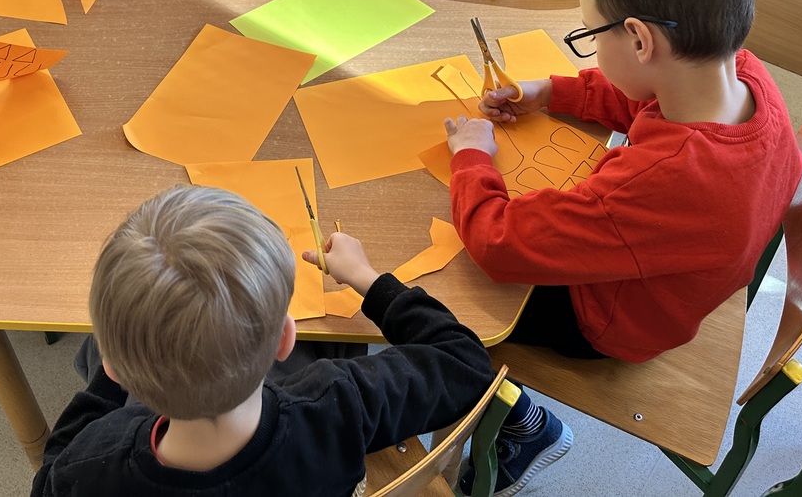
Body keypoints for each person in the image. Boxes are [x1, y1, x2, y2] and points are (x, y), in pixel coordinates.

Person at [444, 0, 802, 495]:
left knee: (446, 301)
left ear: (639, 38)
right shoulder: (742, 74)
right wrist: (550, 92)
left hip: (612, 326)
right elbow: (648, 97)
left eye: (589, 36)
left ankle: (526, 427)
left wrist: (472, 158)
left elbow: (497, 242)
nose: (588, 49)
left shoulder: (662, 180)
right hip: (683, 284)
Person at [31, 184, 497, 497]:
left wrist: (103, 387)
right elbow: (464, 360)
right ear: (284, 339)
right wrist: (367, 279)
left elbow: (50, 474)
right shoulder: (336, 403)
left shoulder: (91, 464)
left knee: (85, 354)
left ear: (115, 367)